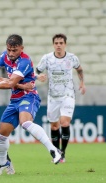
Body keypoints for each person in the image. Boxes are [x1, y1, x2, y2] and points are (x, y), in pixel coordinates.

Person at [0, 34, 62, 176]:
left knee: (25, 123)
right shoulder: (5, 56)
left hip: (29, 97)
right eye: (9, 50)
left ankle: (54, 150)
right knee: (1, 135)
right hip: (15, 99)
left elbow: (10, 83)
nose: (11, 53)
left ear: (21, 48)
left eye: (14, 50)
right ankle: (3, 163)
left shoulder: (24, 61)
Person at [36, 33, 86, 163]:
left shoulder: (72, 58)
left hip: (68, 95)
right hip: (53, 97)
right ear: (53, 45)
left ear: (65, 44)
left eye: (61, 43)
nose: (58, 45)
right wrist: (38, 76)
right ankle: (56, 153)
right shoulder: (47, 58)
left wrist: (82, 83)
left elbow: (79, 69)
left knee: (64, 122)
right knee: (54, 126)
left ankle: (63, 153)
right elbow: (36, 71)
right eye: (56, 43)